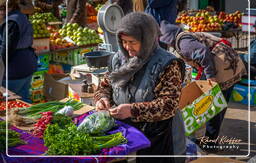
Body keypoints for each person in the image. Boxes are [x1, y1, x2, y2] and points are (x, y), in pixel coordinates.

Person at [94, 12, 186, 163]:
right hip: (124, 134)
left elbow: (169, 105)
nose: (127, 47)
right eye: (123, 41)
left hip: (158, 138)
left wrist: (132, 110)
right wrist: (102, 98)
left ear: (147, 39)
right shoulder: (118, 59)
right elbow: (105, 86)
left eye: (133, 42)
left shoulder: (167, 64)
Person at [159, 20, 247, 151]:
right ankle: (211, 140)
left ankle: (210, 144)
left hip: (221, 67)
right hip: (230, 63)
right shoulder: (185, 37)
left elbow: (203, 53)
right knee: (219, 104)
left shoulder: (183, 42)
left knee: (213, 107)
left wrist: (210, 77)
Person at [0, 0, 37, 103]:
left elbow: (6, 49)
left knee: (11, 102)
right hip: (26, 65)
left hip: (14, 70)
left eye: (1, 9)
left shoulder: (11, 22)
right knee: (24, 99)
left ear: (8, 8)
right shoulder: (21, 16)